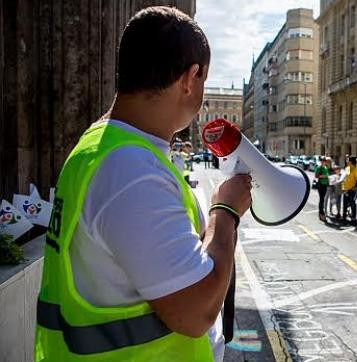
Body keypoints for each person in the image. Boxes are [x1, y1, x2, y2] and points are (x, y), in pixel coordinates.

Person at [35, 7, 250, 361]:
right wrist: (224, 211)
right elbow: (195, 312)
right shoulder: (131, 169)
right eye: (204, 82)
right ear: (190, 77)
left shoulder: (103, 145)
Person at [342, 156, 357, 224]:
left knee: (353, 203)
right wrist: (343, 187)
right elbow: (346, 178)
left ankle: (353, 217)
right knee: (345, 203)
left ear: (351, 161)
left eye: (348, 160)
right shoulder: (347, 168)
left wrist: (355, 187)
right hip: (346, 188)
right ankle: (344, 216)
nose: (347, 161)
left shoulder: (356, 169)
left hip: (352, 189)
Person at [314, 156, 330, 222]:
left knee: (322, 199)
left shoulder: (326, 168)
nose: (324, 162)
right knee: (321, 199)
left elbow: (328, 175)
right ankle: (321, 213)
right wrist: (323, 176)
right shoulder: (319, 167)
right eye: (323, 161)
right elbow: (316, 176)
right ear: (321, 161)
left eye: (325, 161)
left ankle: (321, 213)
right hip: (320, 184)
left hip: (325, 184)